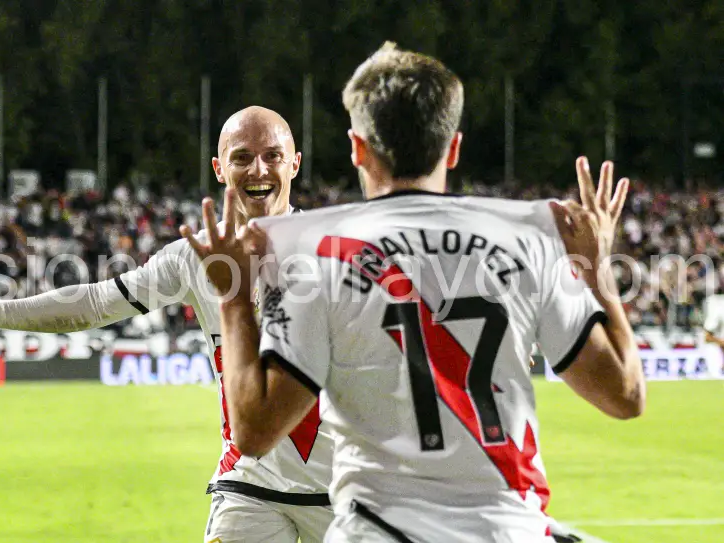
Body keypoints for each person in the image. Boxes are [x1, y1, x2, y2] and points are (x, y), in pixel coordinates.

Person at [185, 43, 645, 543]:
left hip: (379, 530)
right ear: (453, 147)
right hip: (507, 529)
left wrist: (232, 295)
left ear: (357, 148)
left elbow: (254, 433)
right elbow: (625, 395)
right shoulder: (532, 236)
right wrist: (597, 268)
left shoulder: (313, 251)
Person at [0, 106, 335, 543]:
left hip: (343, 490)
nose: (258, 169)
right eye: (242, 157)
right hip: (250, 488)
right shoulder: (191, 256)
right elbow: (96, 303)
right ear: (218, 168)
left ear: (295, 163)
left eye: (272, 155)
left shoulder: (337, 251)